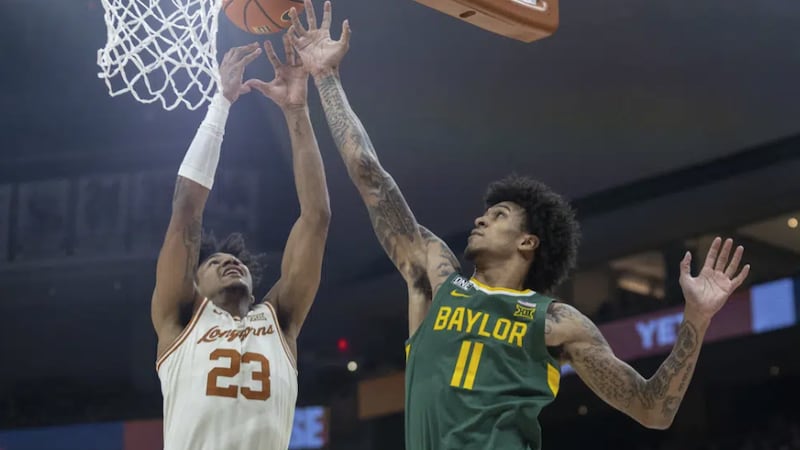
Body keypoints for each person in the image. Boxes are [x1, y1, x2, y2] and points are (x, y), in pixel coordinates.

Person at [284, 2, 752, 449]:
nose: (481, 218)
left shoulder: (557, 322)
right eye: (487, 213)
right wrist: (326, 77)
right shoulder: (436, 276)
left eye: (499, 215)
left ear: (528, 242)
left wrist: (696, 318)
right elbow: (371, 175)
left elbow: (653, 410)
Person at [151, 37, 331, 450]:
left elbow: (316, 218)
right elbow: (186, 212)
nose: (231, 263)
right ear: (193, 285)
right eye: (214, 262)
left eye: (236, 260)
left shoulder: (279, 321)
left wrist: (297, 111)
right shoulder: (181, 320)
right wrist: (222, 103)